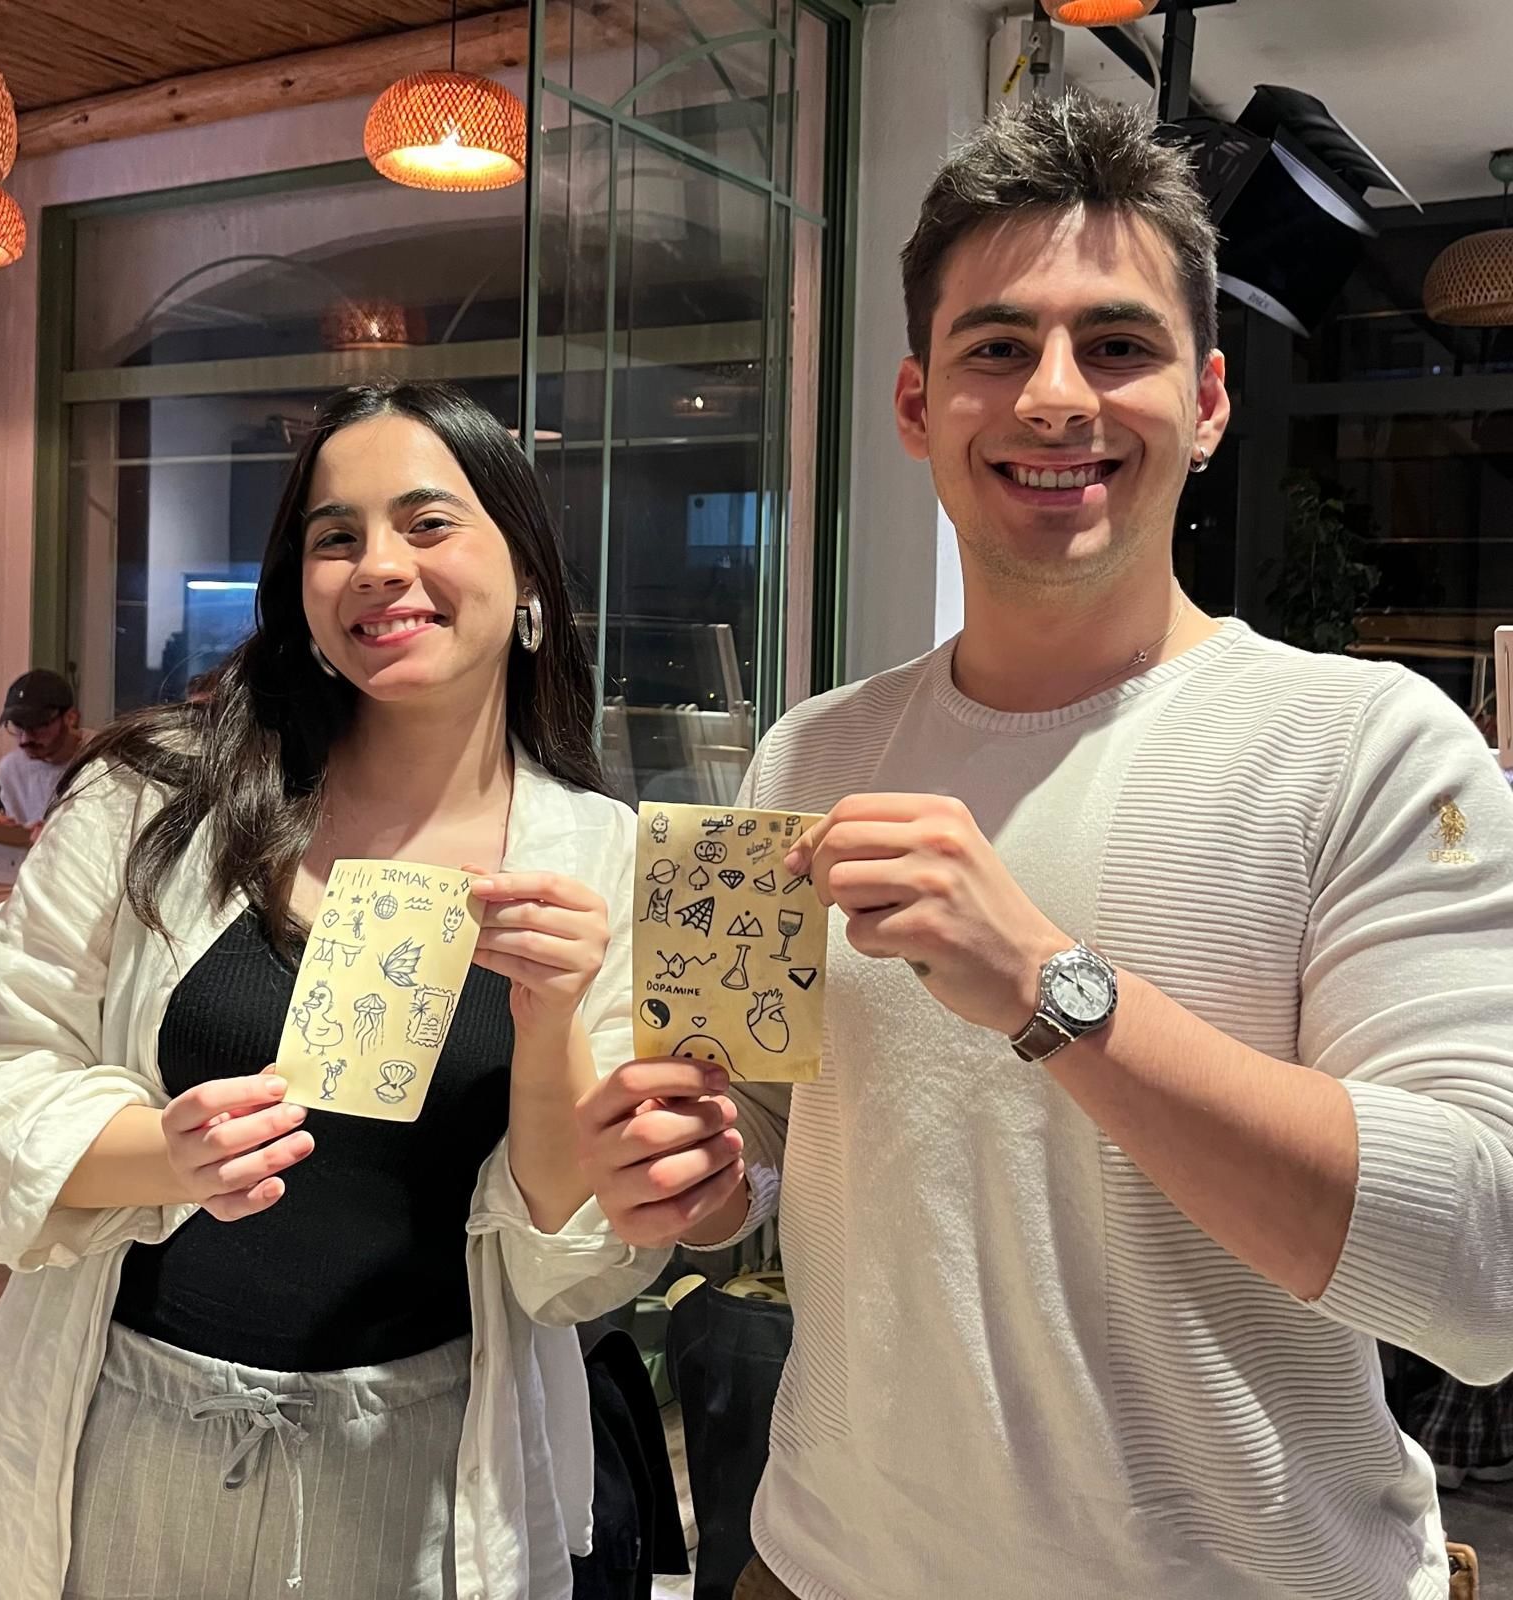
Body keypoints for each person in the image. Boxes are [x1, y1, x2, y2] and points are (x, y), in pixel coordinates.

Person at [576, 94, 1513, 1600]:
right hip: (825, 1568)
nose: (1056, 399)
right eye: (997, 348)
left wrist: (1051, 991)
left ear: (1208, 401)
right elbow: (758, 1140)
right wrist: (689, 1168)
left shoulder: (1370, 747)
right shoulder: (810, 754)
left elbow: (1483, 1276)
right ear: (915, 406)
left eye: (1118, 345)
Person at [0, 380, 667, 1600]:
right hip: (126, 1437)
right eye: (336, 535)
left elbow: (565, 1267)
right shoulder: (155, 797)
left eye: (428, 522)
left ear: (526, 570)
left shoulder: (600, 857)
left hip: (424, 1472)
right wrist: (166, 1154)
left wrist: (552, 1026)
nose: (380, 565)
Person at [0, 666, 84, 828]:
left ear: (70, 718)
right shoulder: (11, 769)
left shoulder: (102, 760)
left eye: (37, 725)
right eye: (18, 726)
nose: (24, 739)